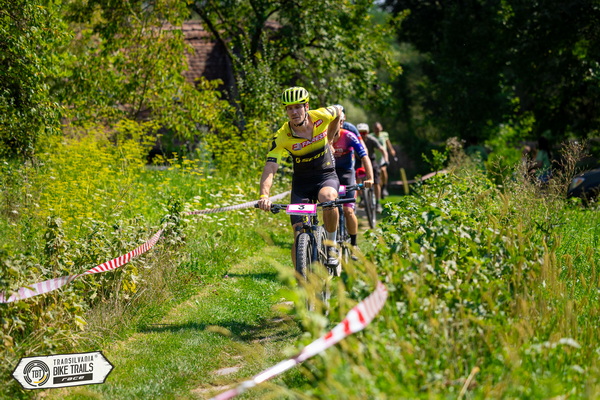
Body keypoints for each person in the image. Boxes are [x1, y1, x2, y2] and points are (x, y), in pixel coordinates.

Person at [258, 87, 344, 267]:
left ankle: (331, 245)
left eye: (298, 107)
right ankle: (300, 277)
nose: (294, 112)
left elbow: (338, 111)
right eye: (289, 108)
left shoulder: (321, 116)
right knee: (298, 232)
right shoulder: (282, 135)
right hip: (302, 183)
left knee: (328, 198)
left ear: (306, 107)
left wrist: (330, 138)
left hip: (325, 174)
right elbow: (270, 166)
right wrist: (264, 196)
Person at [330, 114, 374, 254]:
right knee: (329, 208)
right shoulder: (323, 137)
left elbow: (364, 156)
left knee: (348, 211)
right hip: (330, 175)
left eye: (337, 122)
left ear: (342, 123)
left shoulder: (348, 136)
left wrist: (370, 178)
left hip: (347, 174)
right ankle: (330, 243)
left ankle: (354, 244)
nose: (334, 125)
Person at [357, 123, 388, 213]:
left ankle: (378, 203)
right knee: (357, 177)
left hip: (371, 160)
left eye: (364, 133)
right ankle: (362, 198)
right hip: (358, 161)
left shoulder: (371, 139)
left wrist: (386, 160)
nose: (362, 135)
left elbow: (382, 149)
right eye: (360, 133)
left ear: (368, 132)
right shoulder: (354, 140)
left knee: (376, 181)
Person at [373, 122, 396, 198]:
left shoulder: (384, 135)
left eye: (378, 128)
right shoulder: (371, 136)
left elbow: (388, 143)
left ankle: (384, 187)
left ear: (381, 128)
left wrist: (391, 150)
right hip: (375, 157)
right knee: (378, 174)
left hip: (382, 156)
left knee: (383, 170)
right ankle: (379, 190)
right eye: (375, 129)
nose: (377, 130)